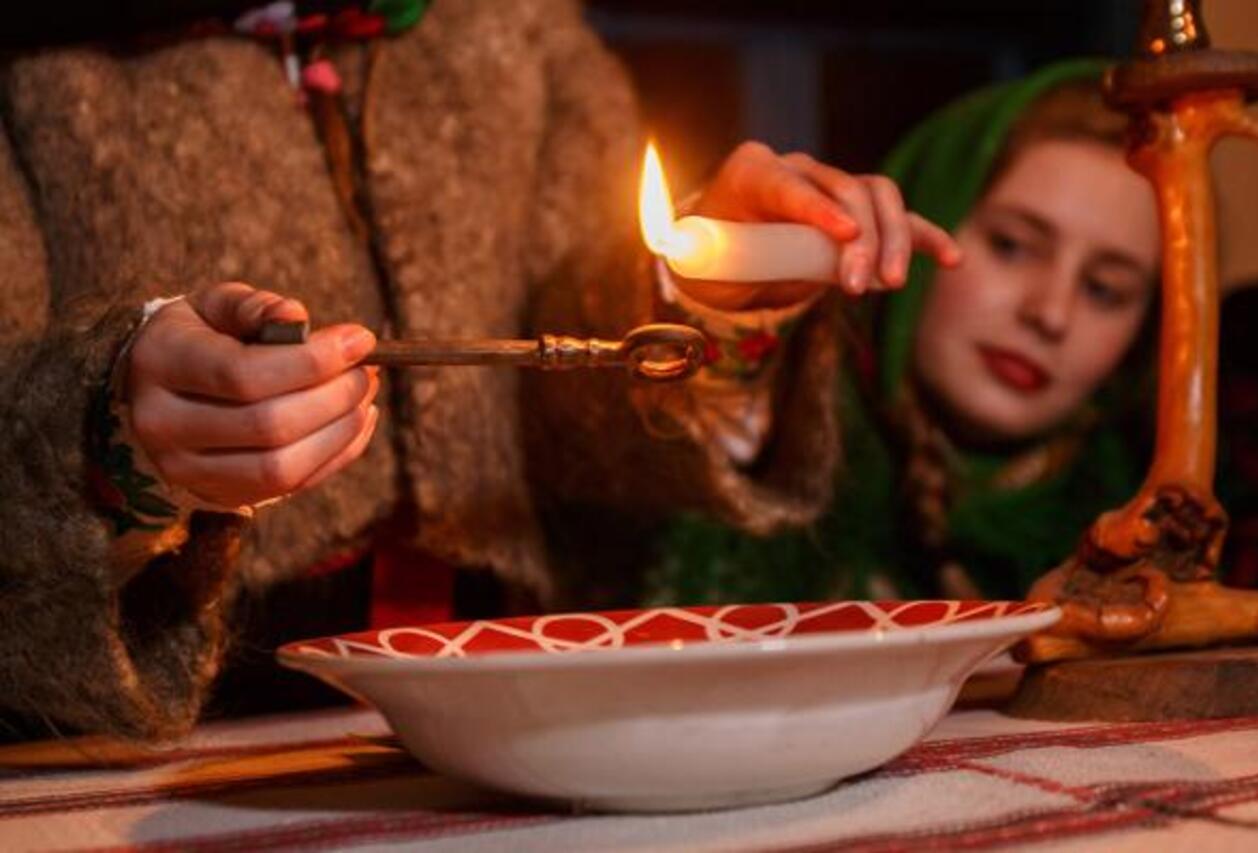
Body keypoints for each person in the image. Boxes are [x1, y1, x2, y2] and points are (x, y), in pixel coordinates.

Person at [0, 0, 956, 740]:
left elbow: (566, 394)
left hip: (513, 690)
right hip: (146, 723)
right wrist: (104, 430)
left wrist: (705, 297)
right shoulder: (37, 69)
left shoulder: (515, 29)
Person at [649, 59, 1162, 605]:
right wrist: (719, 303)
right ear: (923, 209)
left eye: (1105, 289)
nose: (1051, 314)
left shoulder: (1160, 523)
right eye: (1011, 246)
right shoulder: (791, 422)